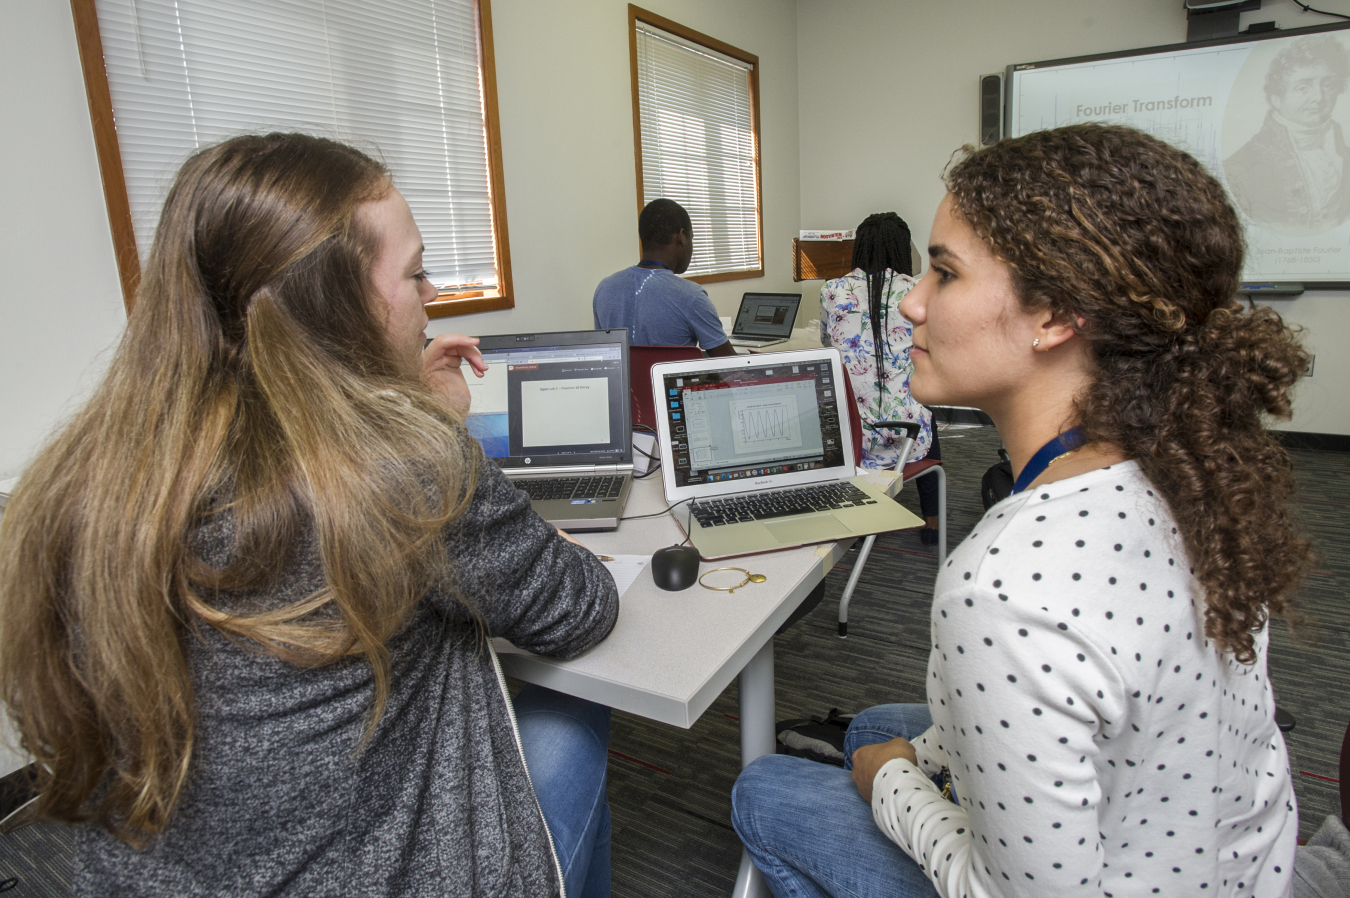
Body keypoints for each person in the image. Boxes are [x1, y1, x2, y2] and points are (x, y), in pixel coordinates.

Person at [0, 133, 619, 898]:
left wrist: (398, 401)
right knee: (576, 715)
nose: (432, 296)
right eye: (417, 273)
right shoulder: (402, 466)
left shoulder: (87, 480)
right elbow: (577, 610)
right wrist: (427, 428)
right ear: (336, 306)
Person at [732, 123, 1310, 898]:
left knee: (764, 790)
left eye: (943, 274)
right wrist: (902, 760)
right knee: (875, 728)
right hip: (1233, 858)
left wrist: (893, 787)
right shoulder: (1194, 469)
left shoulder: (1003, 588)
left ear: (1054, 315)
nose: (911, 303)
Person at [821, 213, 941, 544]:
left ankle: (855, 519)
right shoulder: (918, 291)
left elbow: (826, 346)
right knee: (923, 410)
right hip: (906, 436)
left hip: (851, 437)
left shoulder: (831, 290)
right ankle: (932, 525)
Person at [1224, 33, 1350, 234]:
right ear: (1277, 98)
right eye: (1303, 87)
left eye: (1327, 84)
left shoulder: (1343, 154)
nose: (1318, 97)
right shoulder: (1239, 167)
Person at [593, 198, 736, 356]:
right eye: (692, 238)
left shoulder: (604, 289)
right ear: (681, 237)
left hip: (625, 382)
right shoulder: (691, 296)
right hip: (671, 381)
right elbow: (731, 367)